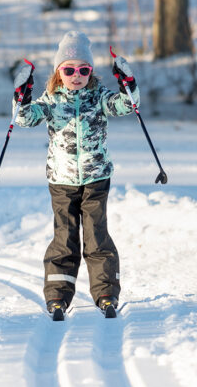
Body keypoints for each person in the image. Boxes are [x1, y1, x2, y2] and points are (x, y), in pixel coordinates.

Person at [13, 30, 139, 317]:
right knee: (64, 237)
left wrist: (128, 85)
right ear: (59, 72)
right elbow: (25, 119)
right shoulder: (51, 100)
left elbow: (127, 105)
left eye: (84, 69)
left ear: (91, 71)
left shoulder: (99, 96)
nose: (77, 75)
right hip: (61, 180)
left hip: (96, 178)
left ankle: (106, 293)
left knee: (96, 236)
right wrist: (21, 98)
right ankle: (57, 296)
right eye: (69, 70)